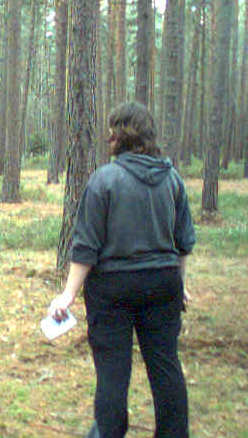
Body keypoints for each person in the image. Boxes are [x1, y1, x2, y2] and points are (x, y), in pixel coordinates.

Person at [48, 102, 196, 438]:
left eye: (112, 128)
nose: (108, 135)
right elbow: (184, 242)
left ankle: (109, 432)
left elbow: (86, 246)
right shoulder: (172, 179)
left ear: (122, 133)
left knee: (112, 373)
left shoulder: (105, 180)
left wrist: (68, 294)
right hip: (163, 285)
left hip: (112, 290)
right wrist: (179, 284)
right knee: (166, 366)